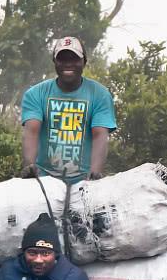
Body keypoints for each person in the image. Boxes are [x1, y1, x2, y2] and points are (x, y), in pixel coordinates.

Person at [20, 36, 117, 183]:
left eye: (74, 58)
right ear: (55, 61)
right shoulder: (35, 94)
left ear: (84, 62)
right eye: (62, 58)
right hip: (45, 179)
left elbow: (100, 136)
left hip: (84, 180)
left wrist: (95, 173)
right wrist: (30, 166)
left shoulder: (100, 94)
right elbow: (32, 131)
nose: (68, 63)